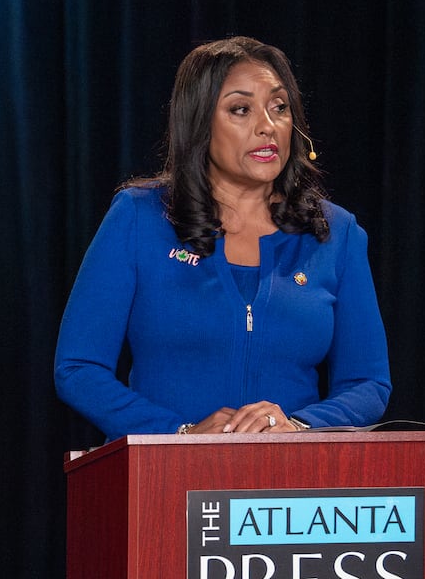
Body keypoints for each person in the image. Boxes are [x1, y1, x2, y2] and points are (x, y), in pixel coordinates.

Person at [54, 36, 390, 439]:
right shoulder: (139, 217)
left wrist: (299, 426)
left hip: (290, 485)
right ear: (200, 122)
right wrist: (180, 433)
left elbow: (368, 383)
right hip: (164, 479)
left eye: (279, 107)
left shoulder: (336, 234)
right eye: (241, 109)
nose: (268, 126)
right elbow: (78, 368)